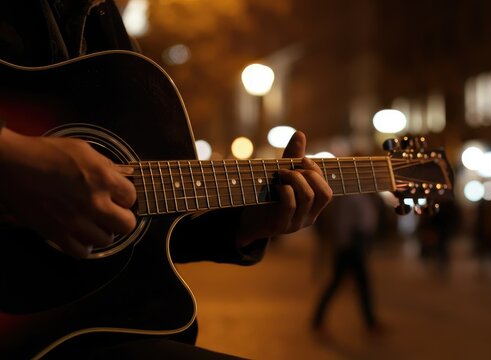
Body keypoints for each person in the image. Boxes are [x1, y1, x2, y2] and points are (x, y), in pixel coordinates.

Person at [0, 1, 332, 358]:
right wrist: (14, 162)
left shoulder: (105, 26)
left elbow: (138, 223)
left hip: (64, 329)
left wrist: (245, 224)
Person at [311, 193, 383, 333]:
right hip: (350, 246)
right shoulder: (349, 197)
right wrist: (344, 244)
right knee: (359, 284)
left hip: (355, 244)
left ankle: (318, 320)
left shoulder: (359, 197)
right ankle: (371, 323)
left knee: (341, 283)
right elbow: (343, 222)